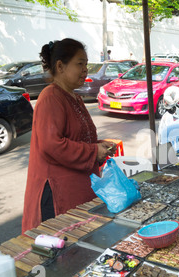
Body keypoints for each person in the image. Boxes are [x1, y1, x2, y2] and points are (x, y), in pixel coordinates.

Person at [22, 38, 115, 233]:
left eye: (86, 64)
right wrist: (92, 151)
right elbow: (52, 145)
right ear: (60, 66)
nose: (85, 70)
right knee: (60, 249)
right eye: (80, 64)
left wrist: (99, 145)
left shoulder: (75, 97)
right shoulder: (50, 97)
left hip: (78, 189)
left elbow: (78, 137)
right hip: (57, 195)